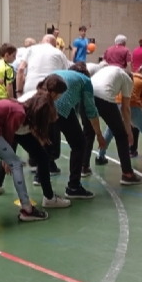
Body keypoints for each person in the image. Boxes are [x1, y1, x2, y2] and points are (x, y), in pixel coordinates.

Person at [0, 92, 60, 221]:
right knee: (16, 164)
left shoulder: (18, 106)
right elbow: (9, 134)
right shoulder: (20, 113)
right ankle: (27, 209)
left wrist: (6, 156)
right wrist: (6, 159)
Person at [43, 67, 107, 199]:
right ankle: (74, 187)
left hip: (43, 104)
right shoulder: (85, 80)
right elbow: (91, 110)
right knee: (79, 144)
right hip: (62, 106)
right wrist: (99, 135)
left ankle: (40, 176)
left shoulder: (60, 72)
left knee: (47, 142)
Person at [84, 65, 140, 185]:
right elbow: (125, 109)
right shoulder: (128, 80)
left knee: (88, 133)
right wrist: (129, 131)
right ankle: (128, 174)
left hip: (86, 95)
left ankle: (84, 167)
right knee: (121, 136)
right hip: (104, 98)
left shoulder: (107, 70)